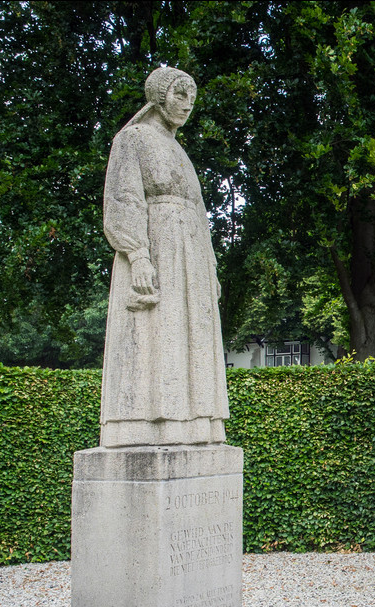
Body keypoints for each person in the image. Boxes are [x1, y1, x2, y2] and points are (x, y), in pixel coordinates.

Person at [98, 67, 229, 448]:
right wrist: (137, 254)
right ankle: (147, 426)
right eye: (180, 94)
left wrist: (211, 268)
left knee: (193, 339)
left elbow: (199, 212)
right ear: (158, 95)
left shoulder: (181, 153)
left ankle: (196, 425)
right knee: (157, 336)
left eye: (192, 97)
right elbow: (123, 198)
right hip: (159, 249)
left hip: (192, 259)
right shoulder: (133, 139)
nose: (187, 104)